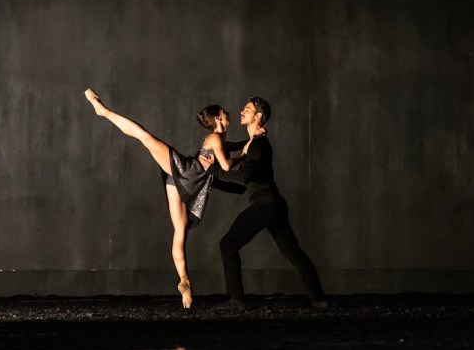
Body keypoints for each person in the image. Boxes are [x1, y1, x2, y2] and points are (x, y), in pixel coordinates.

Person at [83, 88, 251, 309]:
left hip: (181, 180)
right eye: (225, 112)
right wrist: (246, 153)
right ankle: (104, 112)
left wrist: (247, 143)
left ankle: (184, 279)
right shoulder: (215, 138)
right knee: (145, 137)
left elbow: (231, 148)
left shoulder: (218, 139)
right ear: (219, 118)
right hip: (185, 173)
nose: (230, 113)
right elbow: (227, 165)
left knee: (179, 228)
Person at [200, 96, 328, 311]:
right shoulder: (253, 144)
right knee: (292, 251)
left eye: (247, 109)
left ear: (258, 117)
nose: (242, 111)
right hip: (273, 206)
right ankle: (319, 299)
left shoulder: (258, 145)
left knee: (227, 245)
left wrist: (213, 171)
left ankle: (237, 301)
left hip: (266, 206)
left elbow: (242, 179)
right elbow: (241, 186)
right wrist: (212, 180)